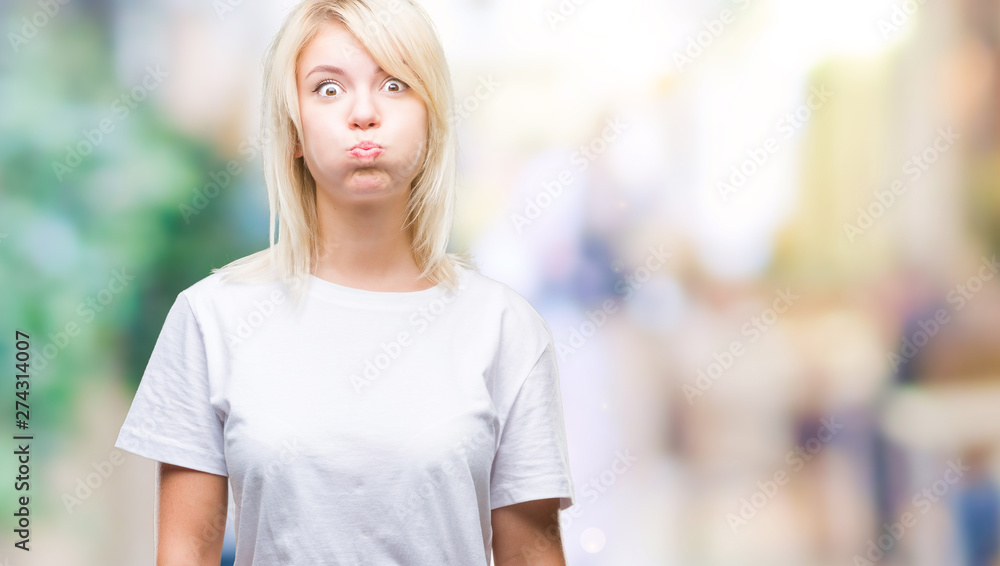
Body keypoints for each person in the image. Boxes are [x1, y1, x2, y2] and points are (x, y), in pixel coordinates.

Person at [112, 1, 576, 564]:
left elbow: (530, 551)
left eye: (395, 84)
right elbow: (186, 549)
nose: (363, 112)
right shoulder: (210, 319)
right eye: (328, 89)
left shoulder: (505, 328)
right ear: (294, 132)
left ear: (431, 121)